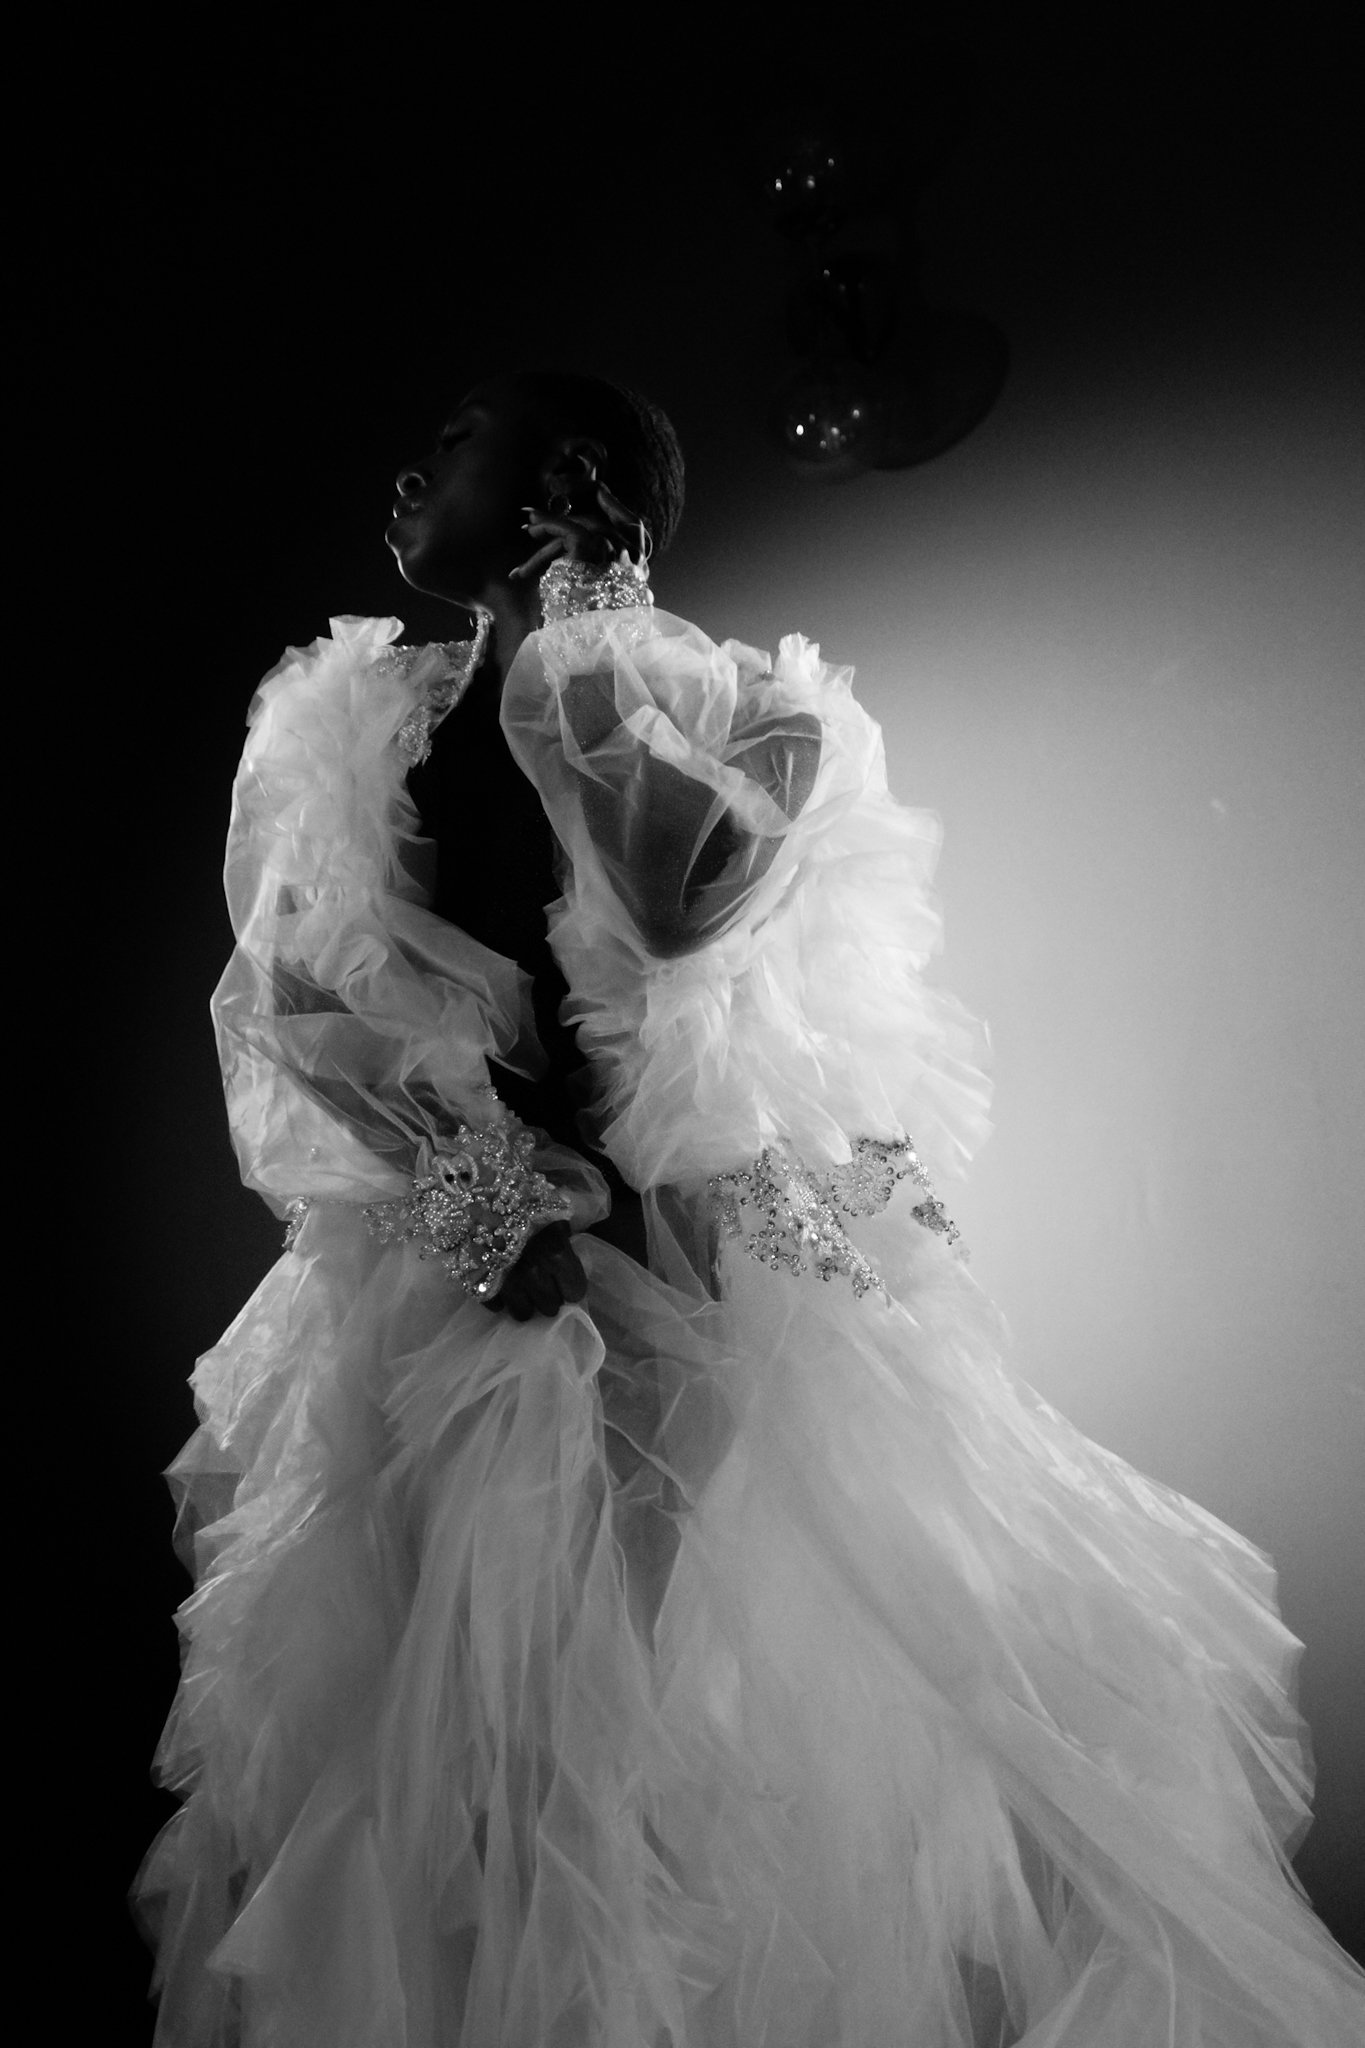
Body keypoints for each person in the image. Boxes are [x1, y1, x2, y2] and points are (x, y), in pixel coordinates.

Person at [138, 369, 1365, 2046]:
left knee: (675, 1755)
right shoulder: (353, 719)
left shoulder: (733, 710)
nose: (410, 467)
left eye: (457, 445)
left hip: (691, 1299)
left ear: (566, 482)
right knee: (463, 1783)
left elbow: (675, 908)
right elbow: (297, 1007)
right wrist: (495, 1219)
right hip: (452, 1289)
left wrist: (591, 637)